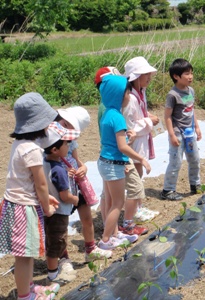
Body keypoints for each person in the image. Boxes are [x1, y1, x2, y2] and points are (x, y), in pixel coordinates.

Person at [0, 93, 60, 300]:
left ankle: (30, 287)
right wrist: (46, 205)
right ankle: (25, 296)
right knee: (25, 256)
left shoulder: (19, 145)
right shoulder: (33, 150)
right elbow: (40, 183)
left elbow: (25, 180)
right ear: (41, 123)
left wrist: (44, 199)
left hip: (13, 204)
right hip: (23, 208)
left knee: (27, 251)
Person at [97, 74, 151, 250]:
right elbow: (121, 147)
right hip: (114, 164)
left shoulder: (107, 114)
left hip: (105, 160)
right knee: (117, 204)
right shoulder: (118, 117)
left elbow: (113, 141)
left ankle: (114, 234)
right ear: (120, 96)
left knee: (111, 200)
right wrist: (141, 158)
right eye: (128, 93)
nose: (130, 97)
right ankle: (106, 240)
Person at [55, 107, 113, 262]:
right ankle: (63, 258)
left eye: (70, 126)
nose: (66, 127)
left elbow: (77, 160)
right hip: (61, 185)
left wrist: (83, 168)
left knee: (87, 218)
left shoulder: (71, 141)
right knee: (61, 223)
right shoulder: (51, 141)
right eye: (64, 123)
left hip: (76, 183)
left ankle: (90, 249)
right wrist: (62, 172)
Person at [40, 122, 80, 285]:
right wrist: (75, 200)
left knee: (51, 238)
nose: (68, 145)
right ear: (55, 149)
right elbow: (65, 195)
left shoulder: (44, 162)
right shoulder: (59, 170)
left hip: (47, 209)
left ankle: (53, 269)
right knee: (57, 242)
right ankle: (53, 275)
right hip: (59, 212)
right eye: (66, 143)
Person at [122, 56, 160, 226]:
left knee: (138, 172)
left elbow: (141, 115)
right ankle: (135, 210)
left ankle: (138, 206)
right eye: (146, 75)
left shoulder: (140, 93)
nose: (149, 78)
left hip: (141, 139)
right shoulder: (130, 99)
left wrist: (148, 117)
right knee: (136, 174)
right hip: (134, 141)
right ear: (136, 77)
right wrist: (150, 121)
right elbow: (130, 125)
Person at [161, 58, 202, 201]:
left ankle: (195, 184)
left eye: (191, 73)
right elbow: (167, 116)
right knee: (176, 162)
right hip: (178, 134)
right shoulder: (172, 95)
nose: (190, 76)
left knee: (194, 159)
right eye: (186, 74)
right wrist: (171, 134)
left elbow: (191, 110)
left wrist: (197, 126)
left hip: (190, 133)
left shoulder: (190, 90)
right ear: (176, 76)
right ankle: (168, 190)